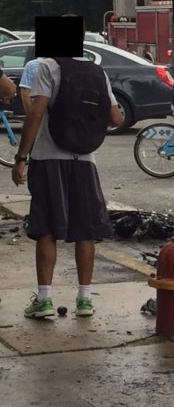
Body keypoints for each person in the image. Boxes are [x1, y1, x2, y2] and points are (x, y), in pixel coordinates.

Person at [10, 49, 125, 319]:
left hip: (48, 158)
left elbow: (36, 113)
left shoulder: (47, 67)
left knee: (46, 228)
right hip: (85, 160)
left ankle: (44, 300)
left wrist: (21, 157)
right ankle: (84, 300)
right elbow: (117, 118)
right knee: (85, 230)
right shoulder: (98, 72)